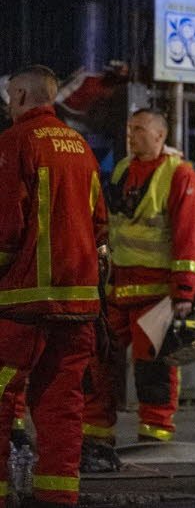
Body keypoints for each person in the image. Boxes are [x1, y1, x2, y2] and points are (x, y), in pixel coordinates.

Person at [0, 64, 107, 507]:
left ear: (22, 96)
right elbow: (99, 226)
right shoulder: (81, 147)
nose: (8, 105)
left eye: (10, 96)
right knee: (62, 405)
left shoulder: (15, 142)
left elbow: (6, 227)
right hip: (78, 306)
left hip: (23, 304)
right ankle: (57, 498)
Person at [81, 108, 195, 470]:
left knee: (153, 368)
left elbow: (188, 235)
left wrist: (184, 293)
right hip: (118, 289)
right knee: (99, 360)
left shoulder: (180, 175)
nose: (131, 135)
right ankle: (96, 435)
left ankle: (155, 438)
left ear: (160, 136)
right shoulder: (122, 170)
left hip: (156, 294)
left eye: (138, 129)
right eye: (129, 128)